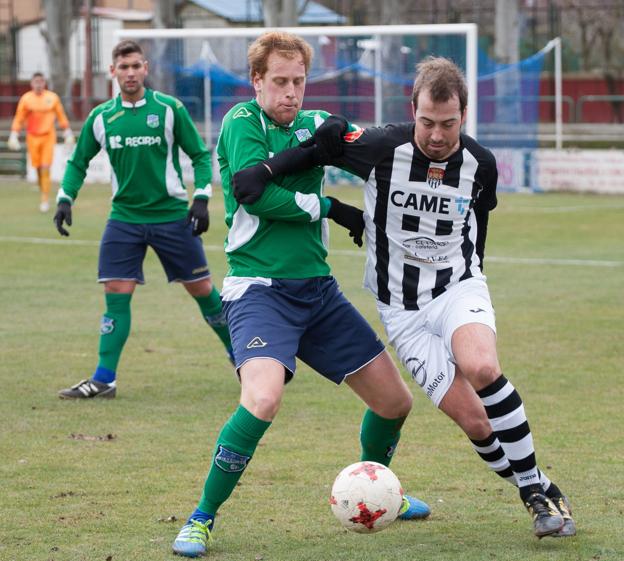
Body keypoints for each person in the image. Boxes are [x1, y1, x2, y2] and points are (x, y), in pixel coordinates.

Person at [233, 57, 576, 539]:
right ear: (411, 109)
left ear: (464, 115)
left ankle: (534, 497)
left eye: (449, 124)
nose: (437, 135)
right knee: (477, 422)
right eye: (427, 122)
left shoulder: (482, 165)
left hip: (457, 288)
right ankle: (539, 480)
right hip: (402, 312)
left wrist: (471, 276)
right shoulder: (379, 146)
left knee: (481, 367)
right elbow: (320, 148)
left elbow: (481, 225)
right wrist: (267, 168)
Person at [171, 31, 429, 558]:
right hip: (258, 289)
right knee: (263, 398)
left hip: (318, 291)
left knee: (395, 401)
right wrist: (330, 207)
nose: (291, 93)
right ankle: (202, 517)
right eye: (280, 82)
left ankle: (378, 491)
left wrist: (428, 134)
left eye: (300, 82)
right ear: (258, 82)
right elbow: (260, 195)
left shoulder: (315, 124)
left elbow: (375, 147)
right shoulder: (241, 123)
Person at [53, 40, 233, 399]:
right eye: (124, 67)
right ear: (113, 72)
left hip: (171, 216)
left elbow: (199, 155)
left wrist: (201, 197)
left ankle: (243, 357)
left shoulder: (169, 109)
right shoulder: (102, 116)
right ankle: (104, 379)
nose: (130, 73)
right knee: (116, 292)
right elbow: (78, 162)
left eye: (136, 66)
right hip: (125, 219)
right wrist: (65, 197)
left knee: (202, 291)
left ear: (145, 69)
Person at [8, 72, 75, 212]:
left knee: (45, 167)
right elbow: (19, 117)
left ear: (44, 83)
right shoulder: (26, 99)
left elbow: (61, 115)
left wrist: (67, 132)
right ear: (32, 83)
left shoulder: (52, 98)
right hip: (32, 137)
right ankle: (41, 187)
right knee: (38, 168)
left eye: (41, 81)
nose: (38, 84)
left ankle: (45, 199)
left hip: (48, 136)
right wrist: (14, 134)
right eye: (36, 81)